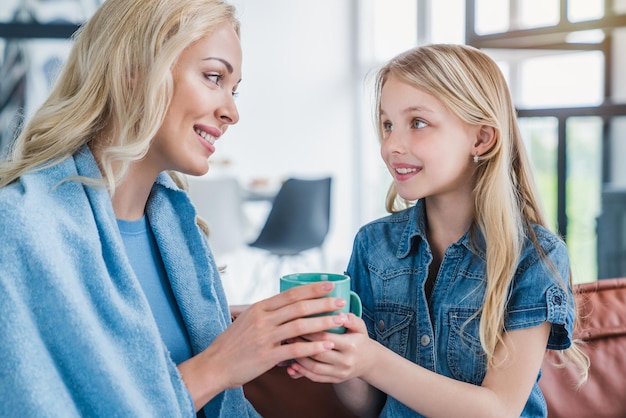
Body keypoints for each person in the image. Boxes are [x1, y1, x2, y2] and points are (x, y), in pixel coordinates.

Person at [0, 0, 346, 416]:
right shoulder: (19, 232)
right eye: (213, 77)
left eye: (233, 90)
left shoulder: (179, 235)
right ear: (133, 70)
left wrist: (237, 326)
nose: (232, 112)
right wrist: (219, 366)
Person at [285, 44, 590, 417]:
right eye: (387, 125)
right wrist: (340, 359)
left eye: (417, 123)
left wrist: (371, 361)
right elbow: (368, 406)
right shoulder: (372, 246)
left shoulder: (534, 256)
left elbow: (498, 410)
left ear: (481, 139)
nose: (391, 146)